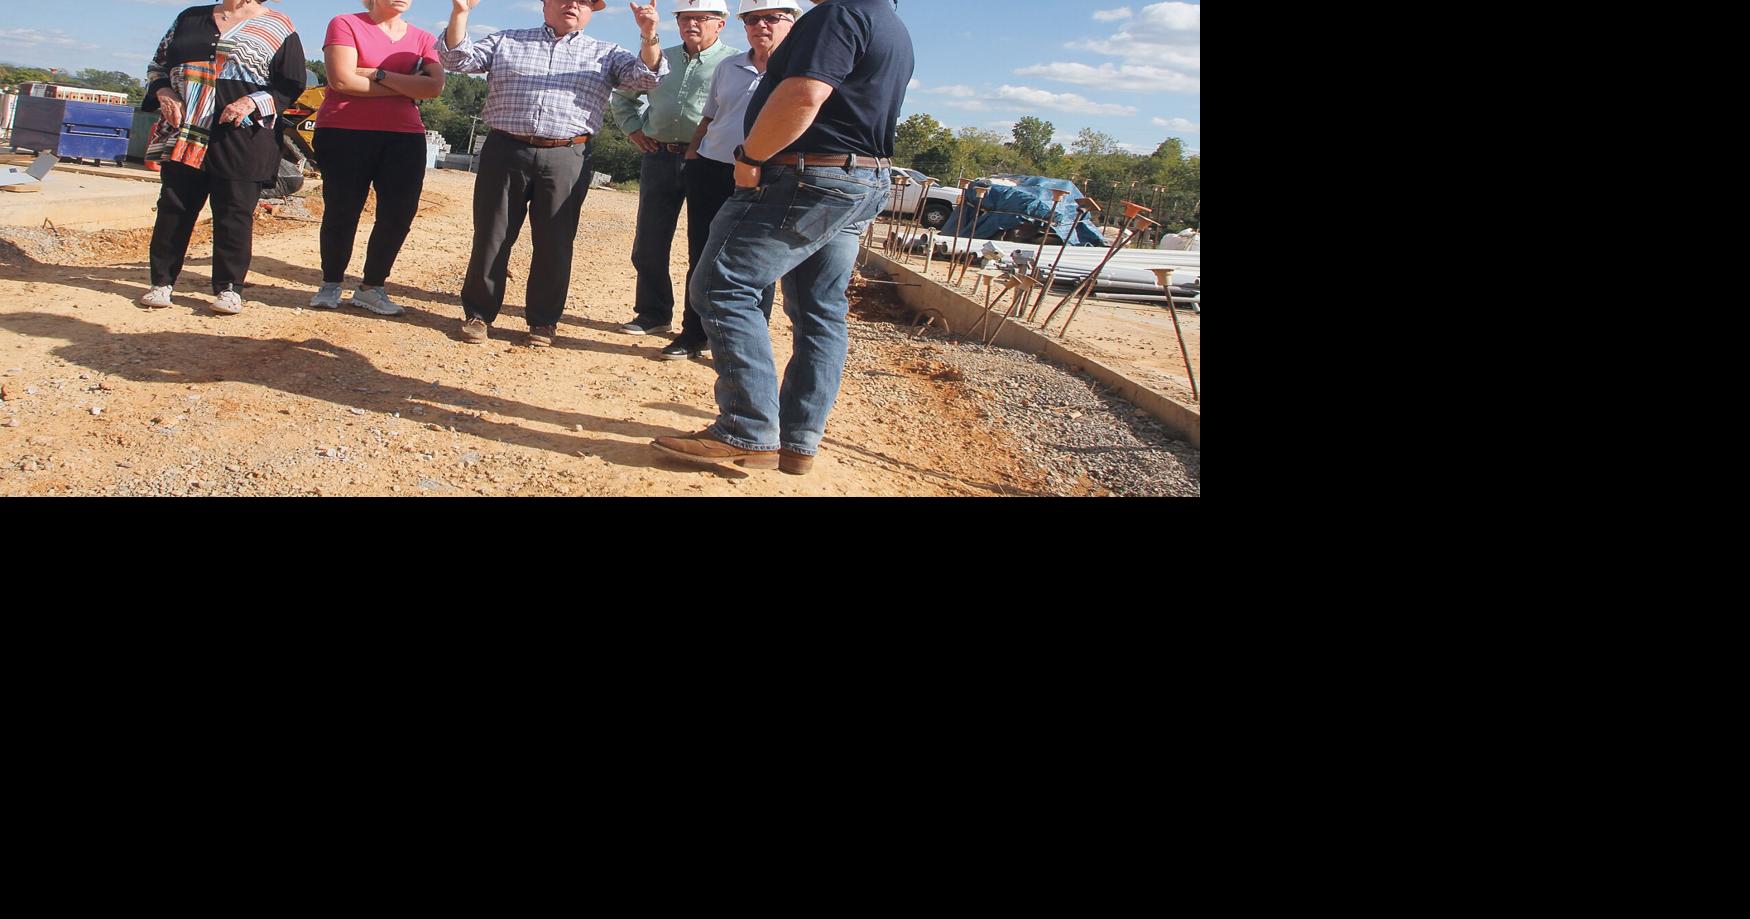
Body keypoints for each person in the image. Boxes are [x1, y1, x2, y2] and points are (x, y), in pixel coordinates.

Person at [652, 0, 911, 474]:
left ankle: (747, 430)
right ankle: (797, 440)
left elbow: (803, 95)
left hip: (807, 178)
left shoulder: (839, 14)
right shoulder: (891, 26)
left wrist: (750, 157)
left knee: (721, 283)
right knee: (821, 310)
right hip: (859, 179)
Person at [439, 0, 667, 347]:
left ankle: (543, 322)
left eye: (584, 1)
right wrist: (460, 13)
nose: (573, 4)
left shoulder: (607, 54)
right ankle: (478, 314)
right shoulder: (507, 40)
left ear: (592, 12)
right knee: (492, 236)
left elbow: (648, 77)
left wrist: (649, 35)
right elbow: (456, 59)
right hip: (506, 150)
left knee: (555, 241)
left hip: (568, 154)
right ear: (545, 4)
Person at [138, 0, 306, 315]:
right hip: (186, 129)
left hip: (242, 134)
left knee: (234, 212)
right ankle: (161, 283)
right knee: (175, 206)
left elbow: (291, 83)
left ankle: (229, 289)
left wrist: (252, 102)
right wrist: (164, 92)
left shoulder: (279, 25)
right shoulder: (190, 18)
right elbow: (158, 65)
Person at [659, 0, 797, 361]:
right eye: (752, 19)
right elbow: (710, 118)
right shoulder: (729, 66)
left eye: (771, 17)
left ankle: (742, 347)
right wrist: (693, 156)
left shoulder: (799, 70)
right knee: (702, 253)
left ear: (792, 22)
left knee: (756, 263)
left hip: (765, 176)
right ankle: (693, 335)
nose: (760, 25)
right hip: (712, 168)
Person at [609, 0, 740, 343]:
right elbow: (622, 97)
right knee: (649, 242)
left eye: (701, 18)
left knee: (705, 246)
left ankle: (697, 327)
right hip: (659, 157)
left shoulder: (734, 64)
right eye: (685, 18)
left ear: (720, 24)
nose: (691, 24)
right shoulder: (657, 60)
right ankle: (653, 314)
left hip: (711, 164)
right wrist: (634, 130)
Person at [309, 0, 446, 316]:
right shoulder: (345, 23)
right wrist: (408, 87)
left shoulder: (424, 39)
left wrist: (378, 74)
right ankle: (331, 284)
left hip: (405, 137)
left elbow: (435, 87)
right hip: (344, 130)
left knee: (398, 214)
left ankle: (372, 287)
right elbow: (342, 81)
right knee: (342, 209)